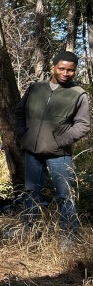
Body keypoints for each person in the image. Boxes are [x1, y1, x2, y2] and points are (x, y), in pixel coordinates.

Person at [11, 51, 89, 248]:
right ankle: (29, 234)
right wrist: (23, 134)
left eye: (70, 70)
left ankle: (68, 240)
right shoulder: (35, 88)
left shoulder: (78, 93)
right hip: (32, 152)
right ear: (53, 67)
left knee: (65, 195)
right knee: (31, 193)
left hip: (59, 155)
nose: (65, 73)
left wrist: (61, 141)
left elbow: (83, 125)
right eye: (61, 68)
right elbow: (19, 113)